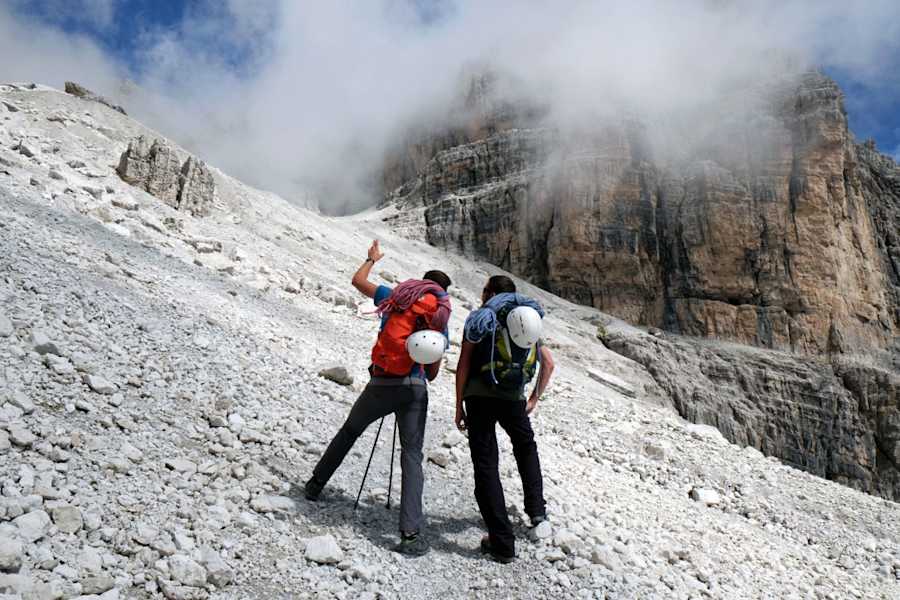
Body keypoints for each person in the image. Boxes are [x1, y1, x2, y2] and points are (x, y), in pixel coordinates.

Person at [305, 240, 452, 557]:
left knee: (350, 431)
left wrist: (371, 259)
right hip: (414, 387)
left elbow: (357, 281)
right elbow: (432, 372)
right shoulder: (439, 315)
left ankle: (315, 486)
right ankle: (410, 534)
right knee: (411, 454)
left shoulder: (398, 296)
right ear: (443, 292)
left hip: (381, 383)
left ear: (423, 282)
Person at [454, 275, 554, 563]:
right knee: (526, 448)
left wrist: (458, 405)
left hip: (479, 397)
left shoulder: (480, 318)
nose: (482, 293)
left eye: (484, 289)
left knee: (486, 463)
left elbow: (463, 363)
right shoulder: (524, 318)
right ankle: (537, 511)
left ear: (490, 292)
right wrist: (534, 398)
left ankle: (502, 542)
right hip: (514, 399)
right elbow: (549, 363)